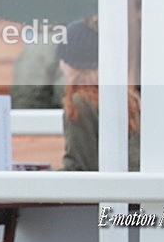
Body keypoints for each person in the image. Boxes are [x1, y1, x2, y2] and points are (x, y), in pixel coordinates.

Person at [57, 15, 141, 172]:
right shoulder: (128, 98)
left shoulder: (80, 105)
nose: (61, 64)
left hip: (107, 192)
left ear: (74, 63)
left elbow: (80, 168)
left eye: (64, 58)